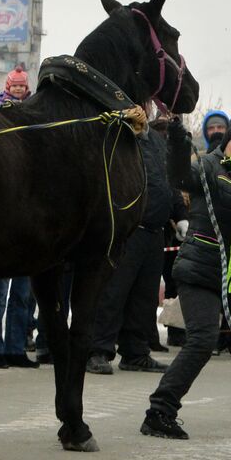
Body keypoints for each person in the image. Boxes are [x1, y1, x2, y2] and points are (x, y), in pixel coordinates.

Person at [143, 109, 231, 439]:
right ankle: (159, 410)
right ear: (226, 144)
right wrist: (178, 143)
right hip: (201, 274)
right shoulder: (209, 169)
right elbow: (178, 176)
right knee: (203, 340)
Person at [86, 115, 175, 375]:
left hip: (156, 231)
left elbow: (167, 181)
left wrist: (179, 214)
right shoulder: (116, 139)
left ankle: (135, 351)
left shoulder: (158, 142)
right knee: (114, 292)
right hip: (128, 228)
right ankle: (98, 350)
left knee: (144, 296)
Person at [0, 67, 38, 371]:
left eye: (21, 86)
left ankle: (17, 346)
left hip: (27, 213)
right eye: (14, 86)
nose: (18, 90)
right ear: (7, 87)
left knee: (22, 290)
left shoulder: (33, 111)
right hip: (2, 213)